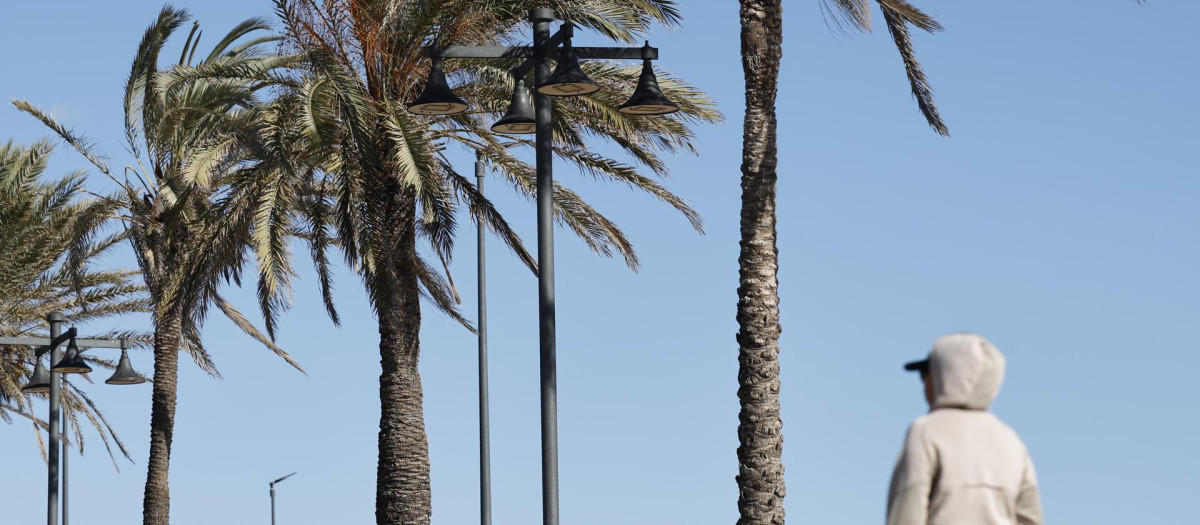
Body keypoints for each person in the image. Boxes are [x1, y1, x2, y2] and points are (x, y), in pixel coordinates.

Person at [887, 332, 1044, 525]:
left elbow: (907, 514)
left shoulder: (925, 432)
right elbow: (1030, 519)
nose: (924, 383)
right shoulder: (1012, 441)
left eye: (925, 374)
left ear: (943, 376)